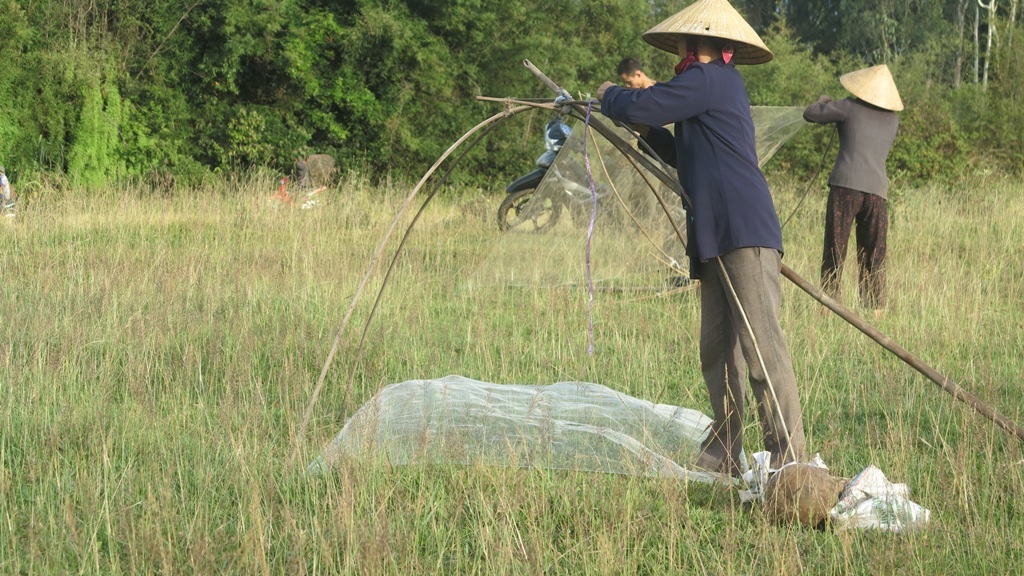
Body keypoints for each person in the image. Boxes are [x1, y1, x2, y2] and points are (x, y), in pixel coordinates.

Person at [597, 0, 806, 473]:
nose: (678, 49)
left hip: (742, 230)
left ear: (697, 43)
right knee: (718, 350)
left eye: (681, 42)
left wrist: (611, 97)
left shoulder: (709, 79)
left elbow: (645, 102)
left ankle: (789, 462)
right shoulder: (703, 87)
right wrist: (641, 128)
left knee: (761, 348)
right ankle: (722, 455)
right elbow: (680, 152)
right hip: (714, 235)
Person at [803, 65, 902, 317]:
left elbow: (811, 114)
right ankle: (875, 311)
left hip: (846, 187)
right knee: (874, 252)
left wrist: (823, 101)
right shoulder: (893, 119)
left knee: (835, 248)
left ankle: (827, 307)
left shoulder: (848, 107)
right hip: (877, 192)